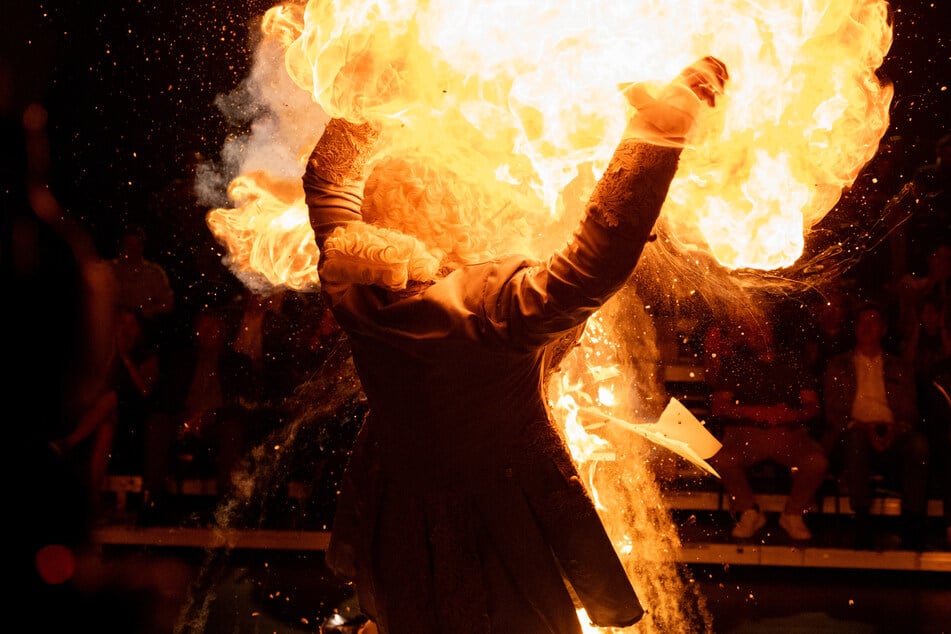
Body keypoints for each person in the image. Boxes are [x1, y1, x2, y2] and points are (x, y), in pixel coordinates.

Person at [302, 56, 728, 633]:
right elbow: (594, 262)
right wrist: (657, 132)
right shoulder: (488, 310)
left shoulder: (354, 287)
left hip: (400, 525)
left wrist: (381, 71)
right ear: (447, 223)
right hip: (497, 543)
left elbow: (328, 181)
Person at [707, 311, 828, 541]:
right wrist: (755, 412)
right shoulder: (736, 363)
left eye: (760, 327)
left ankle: (793, 513)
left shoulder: (793, 360)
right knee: (721, 459)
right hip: (746, 434)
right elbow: (719, 406)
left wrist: (788, 415)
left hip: (789, 434)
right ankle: (748, 510)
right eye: (749, 329)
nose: (755, 334)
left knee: (816, 462)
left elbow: (813, 407)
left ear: (771, 330)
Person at [822, 301, 930, 549]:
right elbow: (834, 412)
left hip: (892, 432)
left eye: (873, 321)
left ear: (883, 328)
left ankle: (912, 520)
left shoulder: (899, 367)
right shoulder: (839, 366)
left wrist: (897, 428)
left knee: (919, 446)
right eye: (862, 322)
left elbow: (909, 411)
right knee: (856, 441)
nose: (867, 327)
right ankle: (862, 520)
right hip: (853, 433)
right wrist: (862, 427)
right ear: (855, 328)